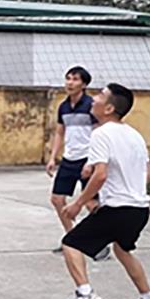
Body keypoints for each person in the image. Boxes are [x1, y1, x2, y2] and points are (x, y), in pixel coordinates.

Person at [60, 83, 150, 299]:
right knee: (122, 249)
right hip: (139, 210)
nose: (94, 99)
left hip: (117, 208)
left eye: (100, 96)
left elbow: (101, 175)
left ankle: (85, 294)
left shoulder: (101, 134)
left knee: (70, 244)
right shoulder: (134, 135)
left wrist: (78, 203)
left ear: (108, 109)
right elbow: (148, 174)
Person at [46, 66, 108, 260]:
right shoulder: (63, 107)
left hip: (87, 160)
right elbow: (59, 132)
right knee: (57, 199)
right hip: (69, 160)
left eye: (74, 79)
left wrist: (94, 161)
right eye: (68, 79)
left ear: (84, 84)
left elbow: (100, 133)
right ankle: (72, 238)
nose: (69, 83)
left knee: (91, 203)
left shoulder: (92, 106)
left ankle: (101, 243)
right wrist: (52, 157)